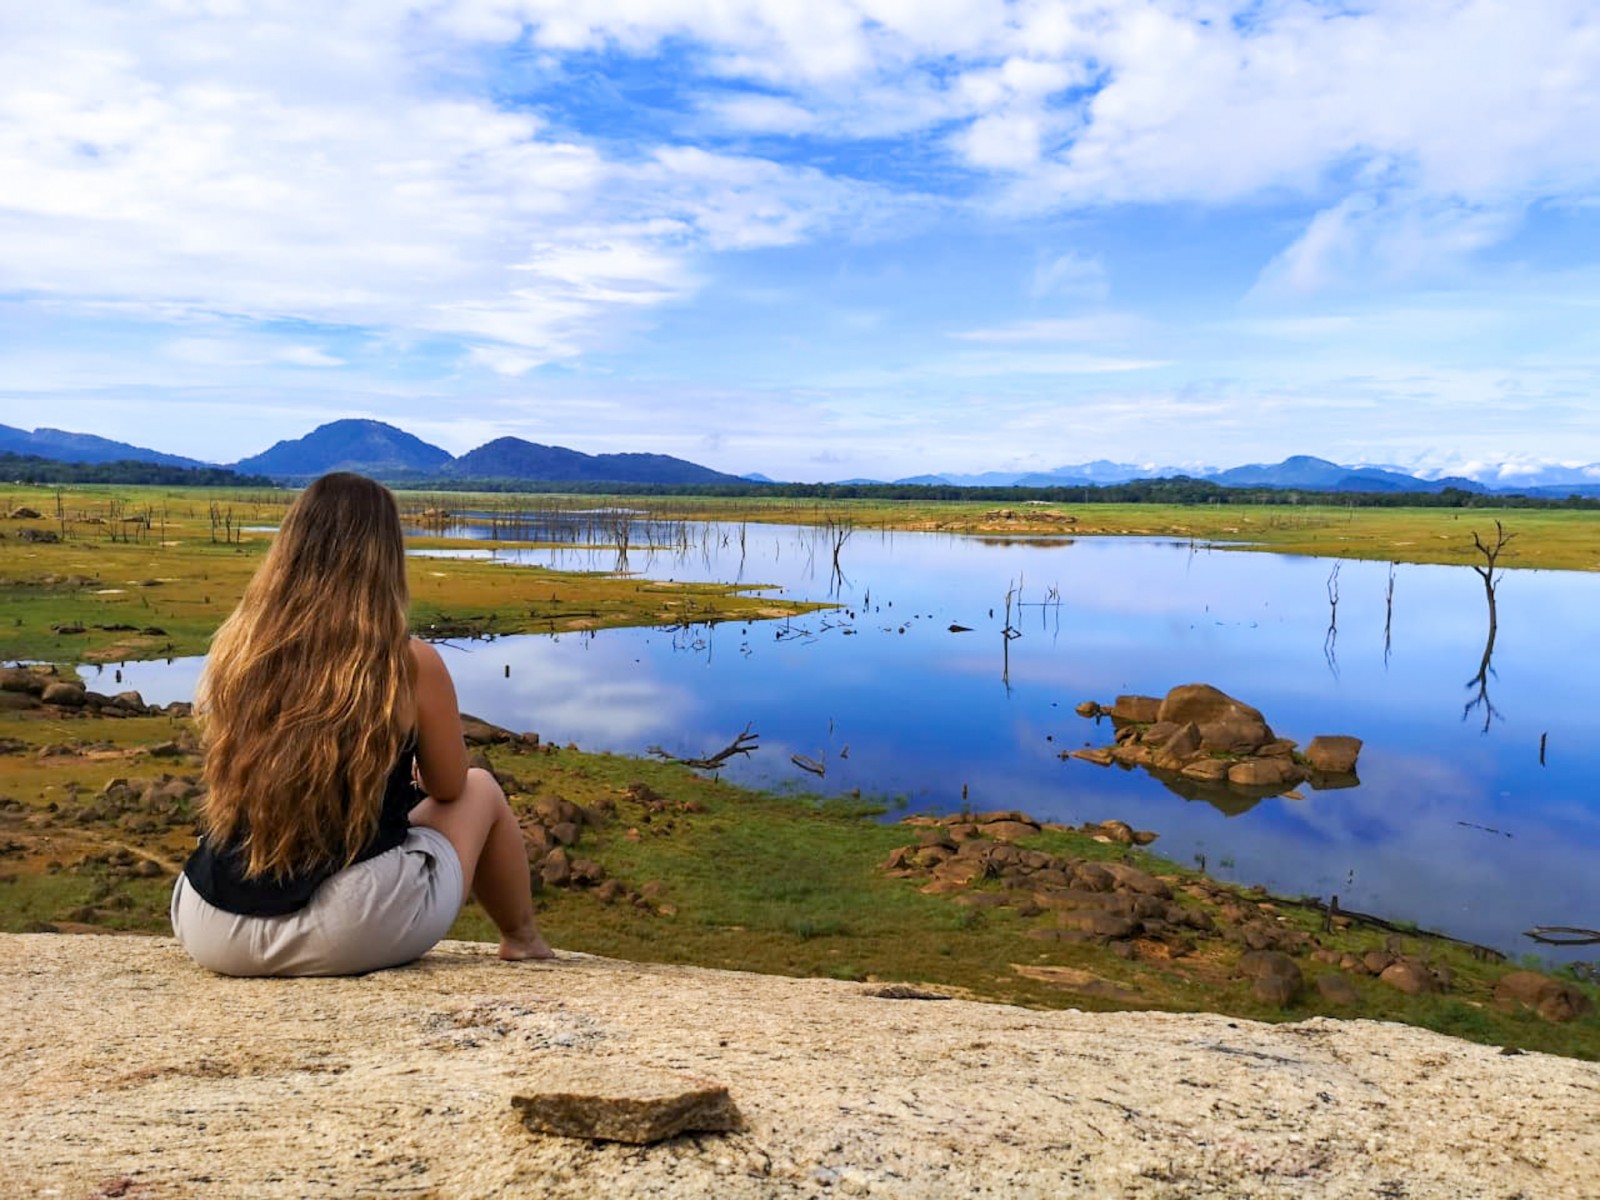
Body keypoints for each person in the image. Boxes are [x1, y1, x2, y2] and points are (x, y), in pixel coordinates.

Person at [170, 471, 552, 975]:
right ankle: (522, 939)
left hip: (211, 923)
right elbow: (449, 785)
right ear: (384, 560)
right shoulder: (406, 662)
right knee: (480, 788)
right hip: (344, 926)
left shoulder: (238, 651)